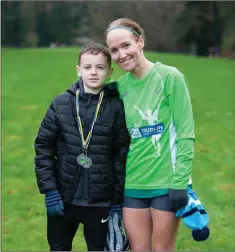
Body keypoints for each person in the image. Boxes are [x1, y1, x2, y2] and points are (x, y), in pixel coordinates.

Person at [105, 18, 195, 252]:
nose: (121, 54)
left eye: (126, 45)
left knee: (163, 248)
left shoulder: (170, 77)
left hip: (167, 184)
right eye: (114, 50)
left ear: (140, 42)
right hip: (133, 184)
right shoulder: (119, 88)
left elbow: (186, 134)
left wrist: (180, 182)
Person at [34, 42, 130, 251]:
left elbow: (121, 155)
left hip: (100, 201)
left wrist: (116, 200)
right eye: (87, 67)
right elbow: (43, 148)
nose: (93, 72)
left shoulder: (116, 107)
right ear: (79, 70)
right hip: (63, 198)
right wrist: (50, 190)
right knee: (58, 247)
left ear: (110, 71)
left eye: (100, 67)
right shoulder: (60, 104)